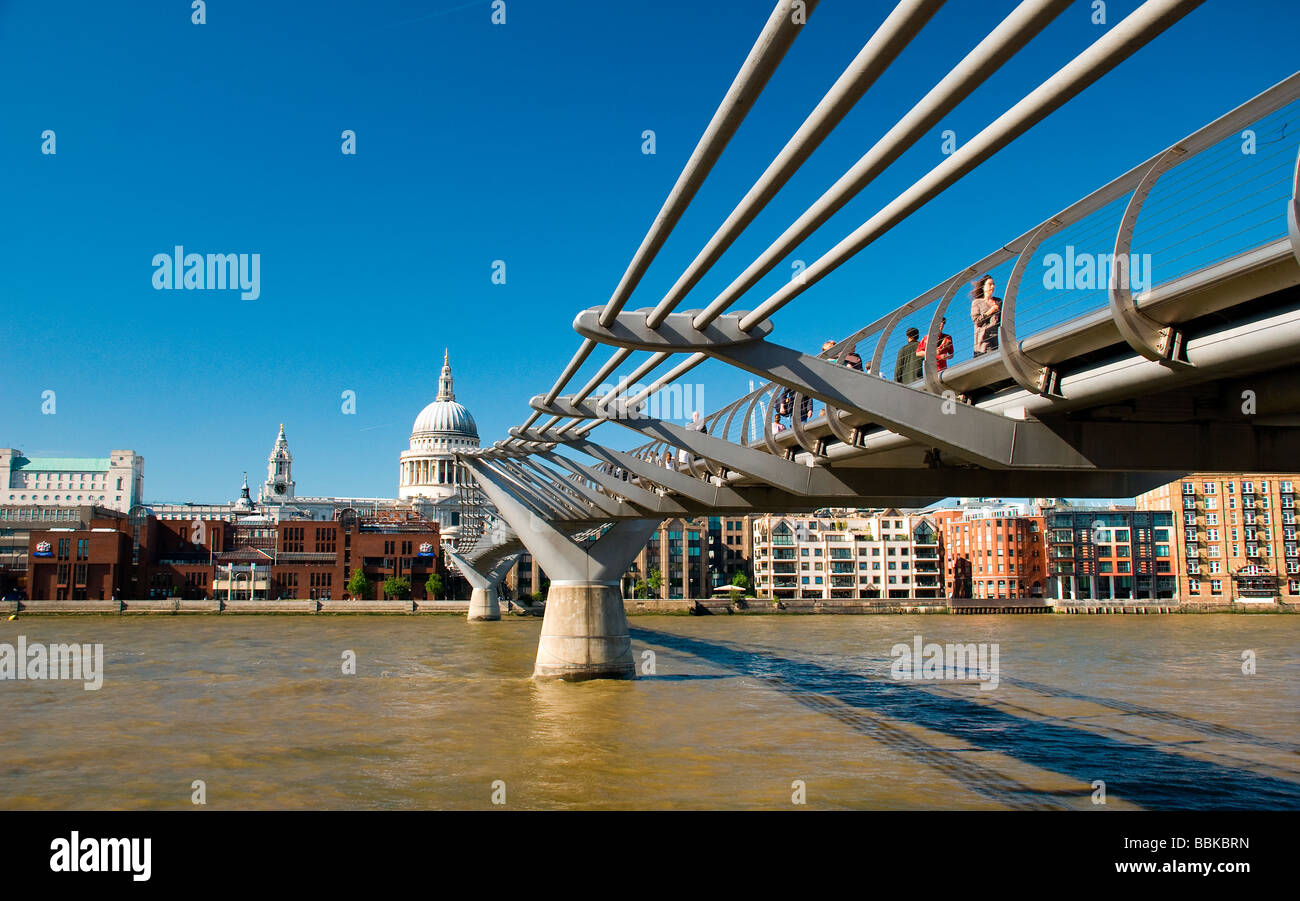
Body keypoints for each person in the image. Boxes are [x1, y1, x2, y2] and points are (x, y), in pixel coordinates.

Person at [971, 274, 1001, 357]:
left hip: (995, 341)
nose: (992, 286)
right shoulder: (977, 302)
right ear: (983, 287)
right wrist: (991, 311)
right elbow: (977, 321)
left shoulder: (998, 301)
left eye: (993, 284)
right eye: (990, 284)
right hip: (982, 343)